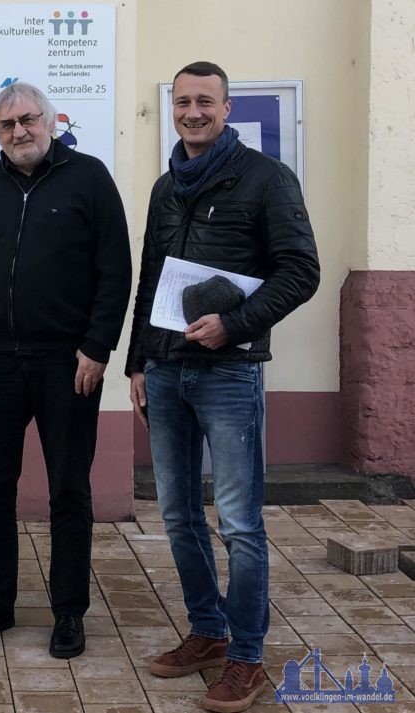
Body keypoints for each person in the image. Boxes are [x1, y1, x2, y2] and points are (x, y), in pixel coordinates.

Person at [126, 61, 319, 713]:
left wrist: (233, 324)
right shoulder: (164, 185)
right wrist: (136, 361)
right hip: (165, 369)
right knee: (178, 514)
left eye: (205, 101)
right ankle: (208, 633)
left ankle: (246, 657)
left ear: (228, 108)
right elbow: (150, 277)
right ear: (172, 109)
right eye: (183, 102)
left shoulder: (267, 180)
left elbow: (301, 271)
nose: (193, 112)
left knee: (238, 521)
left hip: (229, 373)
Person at [0, 82, 131, 658]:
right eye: (6, 125)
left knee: (69, 492)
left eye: (28, 120)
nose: (18, 131)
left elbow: (115, 269)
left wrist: (98, 347)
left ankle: (68, 612)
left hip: (67, 363)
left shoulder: (89, 178)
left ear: (50, 122)